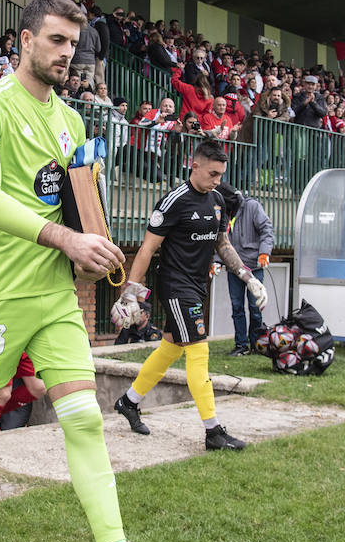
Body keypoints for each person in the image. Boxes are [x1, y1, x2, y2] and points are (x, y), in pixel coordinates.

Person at [0, 0, 187, 542]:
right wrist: (65, 237)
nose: (66, 53)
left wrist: (101, 252)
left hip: (53, 297)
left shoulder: (73, 123)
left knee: (84, 419)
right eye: (55, 40)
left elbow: (80, 207)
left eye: (73, 44)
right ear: (24, 39)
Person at [111, 142, 264, 450]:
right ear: (194, 166)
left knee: (171, 347)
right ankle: (213, 431)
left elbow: (222, 244)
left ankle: (129, 402)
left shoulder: (218, 199)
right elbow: (147, 248)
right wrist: (131, 294)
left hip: (197, 285)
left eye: (221, 174)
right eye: (212, 173)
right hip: (175, 286)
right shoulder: (174, 201)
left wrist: (247, 277)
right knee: (198, 351)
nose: (217, 180)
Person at [220, 184, 275, 356]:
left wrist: (264, 253)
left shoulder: (252, 206)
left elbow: (267, 230)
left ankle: (257, 344)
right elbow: (221, 241)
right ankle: (241, 346)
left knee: (255, 307)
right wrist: (216, 262)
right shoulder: (223, 213)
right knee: (237, 307)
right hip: (234, 270)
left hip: (253, 266)